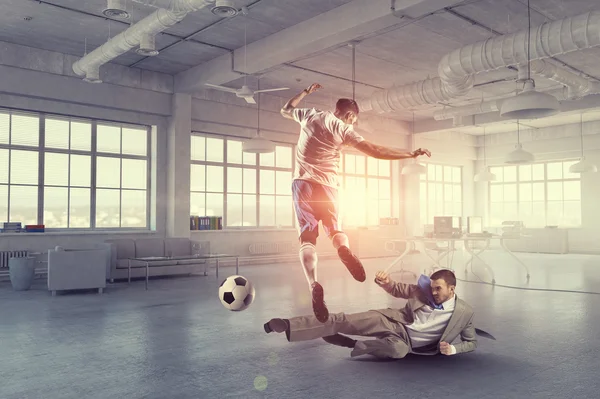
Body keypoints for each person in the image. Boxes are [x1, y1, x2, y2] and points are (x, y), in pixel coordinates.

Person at [280, 83, 431, 323]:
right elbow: (375, 150)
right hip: (329, 187)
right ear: (350, 115)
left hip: (302, 184)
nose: (352, 123)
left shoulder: (310, 114)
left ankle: (313, 284)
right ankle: (342, 248)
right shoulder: (343, 129)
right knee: (336, 230)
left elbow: (286, 109)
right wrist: (410, 154)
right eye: (354, 119)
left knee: (307, 238)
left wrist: (306, 93)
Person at [263, 269, 478, 359]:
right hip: (394, 322)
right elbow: (398, 289)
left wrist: (454, 349)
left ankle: (349, 344)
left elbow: (472, 342)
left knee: (398, 352)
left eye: (438, 289)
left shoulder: (465, 312)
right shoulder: (423, 291)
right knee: (343, 320)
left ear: (452, 289)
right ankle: (287, 324)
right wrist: (386, 282)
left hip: (406, 344)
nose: (433, 292)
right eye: (431, 287)